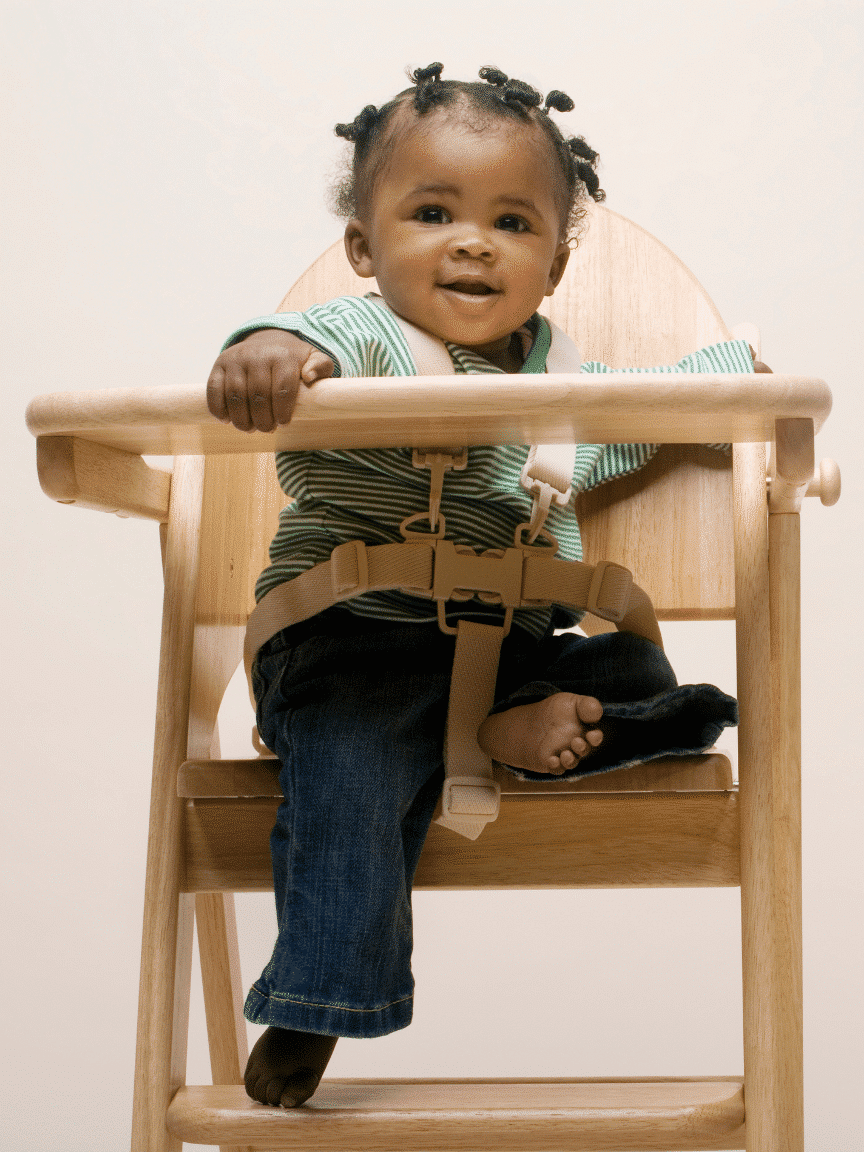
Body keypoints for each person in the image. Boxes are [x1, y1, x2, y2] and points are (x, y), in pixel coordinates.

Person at [206, 63, 751, 1109]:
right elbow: (296, 345)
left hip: (503, 650)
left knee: (635, 659)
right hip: (348, 649)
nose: (473, 240)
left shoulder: (560, 394)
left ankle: (512, 726)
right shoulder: (360, 342)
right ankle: (320, 1002)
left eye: (512, 221)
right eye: (432, 212)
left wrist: (746, 372)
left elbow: (657, 406)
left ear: (550, 265)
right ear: (366, 248)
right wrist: (264, 353)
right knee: (355, 789)